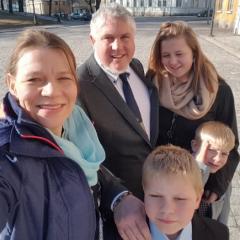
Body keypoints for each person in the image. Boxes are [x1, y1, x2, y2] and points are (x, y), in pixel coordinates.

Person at [0, 29, 129, 240]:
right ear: (12, 85)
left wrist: (119, 196)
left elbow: (84, 172)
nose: (52, 91)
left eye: (63, 78)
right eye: (34, 79)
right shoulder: (8, 157)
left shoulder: (76, 125)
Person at [77, 3, 158, 240]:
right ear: (92, 40)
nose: (117, 46)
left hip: (155, 197)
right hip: (119, 213)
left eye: (125, 37)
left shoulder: (136, 66)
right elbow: (81, 154)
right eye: (108, 38)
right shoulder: (79, 84)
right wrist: (118, 197)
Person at [147, 21, 239, 220]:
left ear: (194, 53)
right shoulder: (153, 84)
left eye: (179, 54)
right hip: (165, 183)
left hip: (204, 184)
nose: (173, 62)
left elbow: (232, 146)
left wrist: (218, 185)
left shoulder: (218, 91)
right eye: (166, 55)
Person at [142, 144, 229, 240]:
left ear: (197, 199)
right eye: (156, 196)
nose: (167, 209)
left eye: (180, 199)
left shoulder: (218, 234)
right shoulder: (123, 234)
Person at [191, 121, 235, 224]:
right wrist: (201, 166)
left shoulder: (223, 178)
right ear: (194, 145)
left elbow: (224, 212)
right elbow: (193, 191)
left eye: (224, 153)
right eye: (212, 150)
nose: (218, 159)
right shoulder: (183, 170)